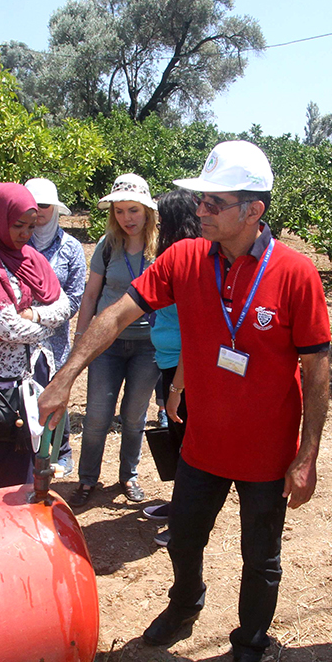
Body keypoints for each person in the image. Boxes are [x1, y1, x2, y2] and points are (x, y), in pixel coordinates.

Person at [39, 140, 331, 662]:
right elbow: (117, 313)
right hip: (202, 440)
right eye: (201, 201)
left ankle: (249, 646)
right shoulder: (184, 260)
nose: (201, 211)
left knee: (260, 558)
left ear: (253, 210)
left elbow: (317, 370)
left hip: (268, 450)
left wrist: (307, 454)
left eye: (214, 202)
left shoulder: (295, 273)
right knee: (185, 536)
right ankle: (185, 601)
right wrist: (68, 373)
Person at [0, 182, 69, 493]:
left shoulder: (29, 258)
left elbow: (64, 306)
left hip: (34, 374)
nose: (25, 234)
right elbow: (9, 329)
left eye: (31, 226)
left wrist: (32, 316)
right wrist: (46, 325)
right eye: (17, 225)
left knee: (31, 462)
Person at [69, 173, 161, 507]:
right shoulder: (108, 246)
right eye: (119, 211)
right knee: (97, 415)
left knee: (135, 416)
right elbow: (91, 295)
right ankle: (87, 479)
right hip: (107, 344)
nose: (126, 218)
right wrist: (82, 341)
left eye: (133, 210)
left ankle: (128, 476)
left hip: (148, 346)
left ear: (147, 211)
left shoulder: (161, 248)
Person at [143, 188, 203, 535]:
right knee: (180, 437)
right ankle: (181, 505)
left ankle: (185, 522)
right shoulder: (172, 259)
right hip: (169, 362)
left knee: (188, 441)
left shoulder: (188, 264)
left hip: (184, 366)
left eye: (162, 220)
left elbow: (194, 330)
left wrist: (177, 386)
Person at [26, 177, 87, 478]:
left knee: (55, 392)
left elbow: (75, 297)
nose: (38, 211)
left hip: (55, 338)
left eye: (44, 205)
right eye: (32, 205)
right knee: (26, 397)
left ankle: (61, 451)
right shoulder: (14, 243)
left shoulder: (70, 248)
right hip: (20, 339)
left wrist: (37, 315)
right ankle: (31, 454)